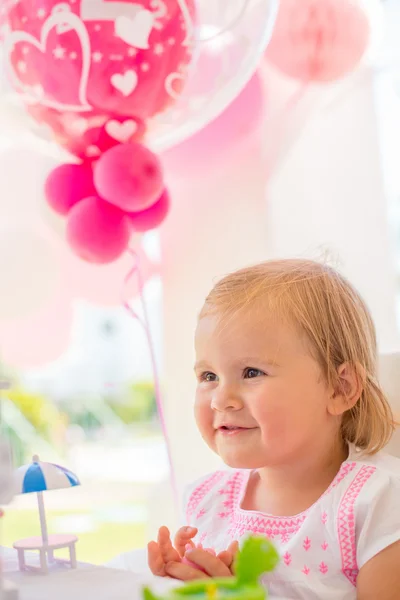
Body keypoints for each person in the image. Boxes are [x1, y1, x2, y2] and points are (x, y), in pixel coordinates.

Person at [148, 259, 400, 599]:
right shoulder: (206, 502)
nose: (221, 399)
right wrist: (189, 587)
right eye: (209, 376)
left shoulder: (377, 500)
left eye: (252, 372)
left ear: (340, 389)